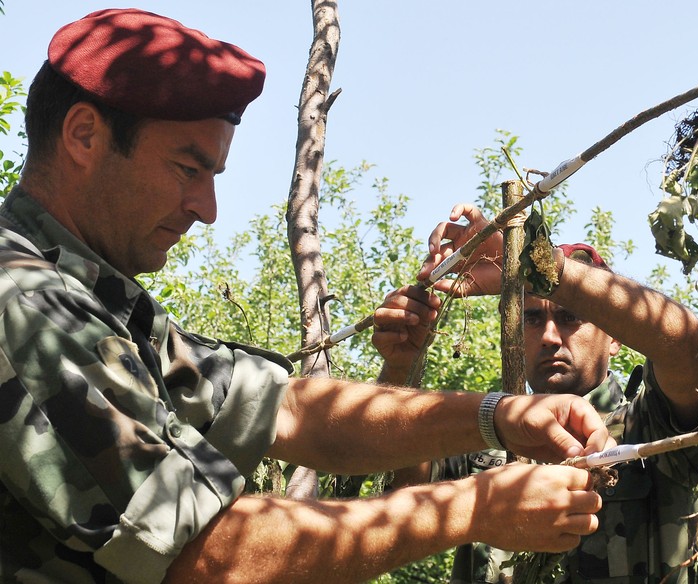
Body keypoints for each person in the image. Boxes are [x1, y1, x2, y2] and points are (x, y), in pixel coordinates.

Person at [0, 9, 615, 584]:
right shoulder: (22, 301)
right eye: (189, 169)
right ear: (84, 135)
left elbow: (289, 410)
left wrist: (497, 417)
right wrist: (469, 509)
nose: (207, 210)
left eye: (213, 177)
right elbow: (204, 554)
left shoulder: (96, 299)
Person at [372, 204, 698, 583]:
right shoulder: (483, 438)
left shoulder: (653, 426)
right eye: (533, 319)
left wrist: (540, 267)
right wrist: (400, 366)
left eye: (571, 317)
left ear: (615, 336)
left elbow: (686, 346)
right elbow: (402, 489)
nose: (550, 337)